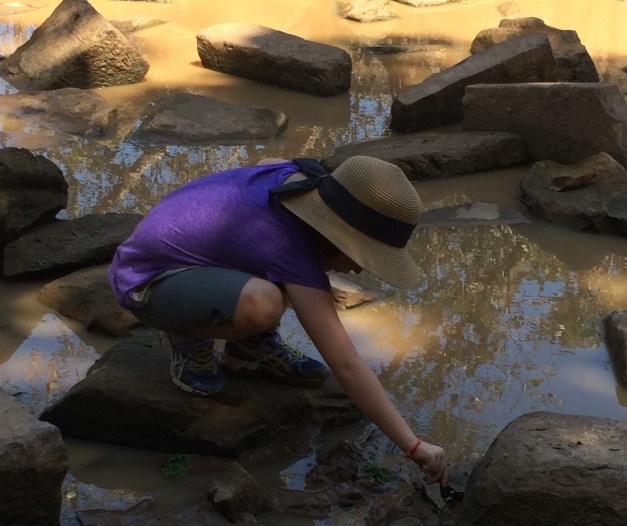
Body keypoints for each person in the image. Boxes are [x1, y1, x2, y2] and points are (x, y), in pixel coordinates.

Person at [108, 155, 448, 485]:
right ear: (339, 236)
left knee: (278, 286)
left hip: (190, 260)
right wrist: (412, 444)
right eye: (364, 256)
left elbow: (266, 161)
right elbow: (345, 362)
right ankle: (187, 335)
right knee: (264, 302)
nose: (360, 269)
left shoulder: (297, 184)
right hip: (148, 283)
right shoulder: (288, 246)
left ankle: (249, 349)